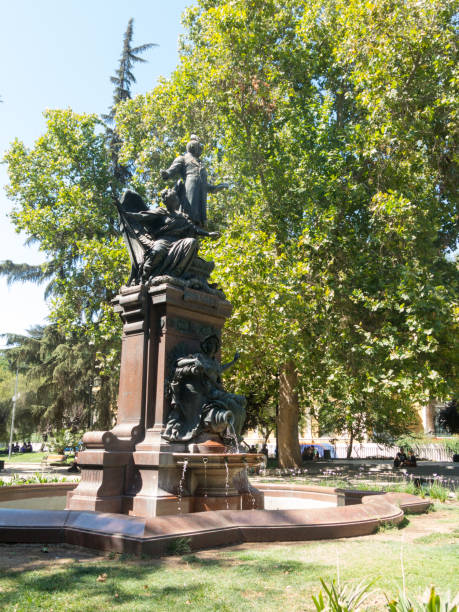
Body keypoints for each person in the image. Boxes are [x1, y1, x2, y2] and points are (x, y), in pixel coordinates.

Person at [123, 188, 219, 283]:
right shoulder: (161, 212)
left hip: (177, 241)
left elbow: (194, 229)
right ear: (166, 201)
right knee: (157, 252)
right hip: (163, 240)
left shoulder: (182, 216)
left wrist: (208, 234)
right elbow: (142, 216)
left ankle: (175, 274)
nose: (175, 201)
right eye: (172, 199)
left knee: (192, 242)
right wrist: (127, 214)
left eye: (175, 198)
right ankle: (144, 276)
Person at [163, 335, 246, 443]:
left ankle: (233, 438)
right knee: (231, 402)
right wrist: (193, 362)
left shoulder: (215, 363)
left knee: (239, 402)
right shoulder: (199, 356)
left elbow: (221, 369)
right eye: (210, 344)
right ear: (205, 346)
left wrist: (233, 362)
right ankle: (227, 432)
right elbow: (178, 362)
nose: (212, 346)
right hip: (204, 392)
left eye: (215, 345)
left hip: (214, 391)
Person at [160, 135, 228, 226]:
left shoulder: (201, 163)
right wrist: (167, 173)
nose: (200, 150)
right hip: (189, 193)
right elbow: (172, 169)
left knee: (198, 223)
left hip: (201, 197)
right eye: (198, 147)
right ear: (193, 147)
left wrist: (215, 187)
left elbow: (204, 184)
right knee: (188, 217)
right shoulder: (183, 158)